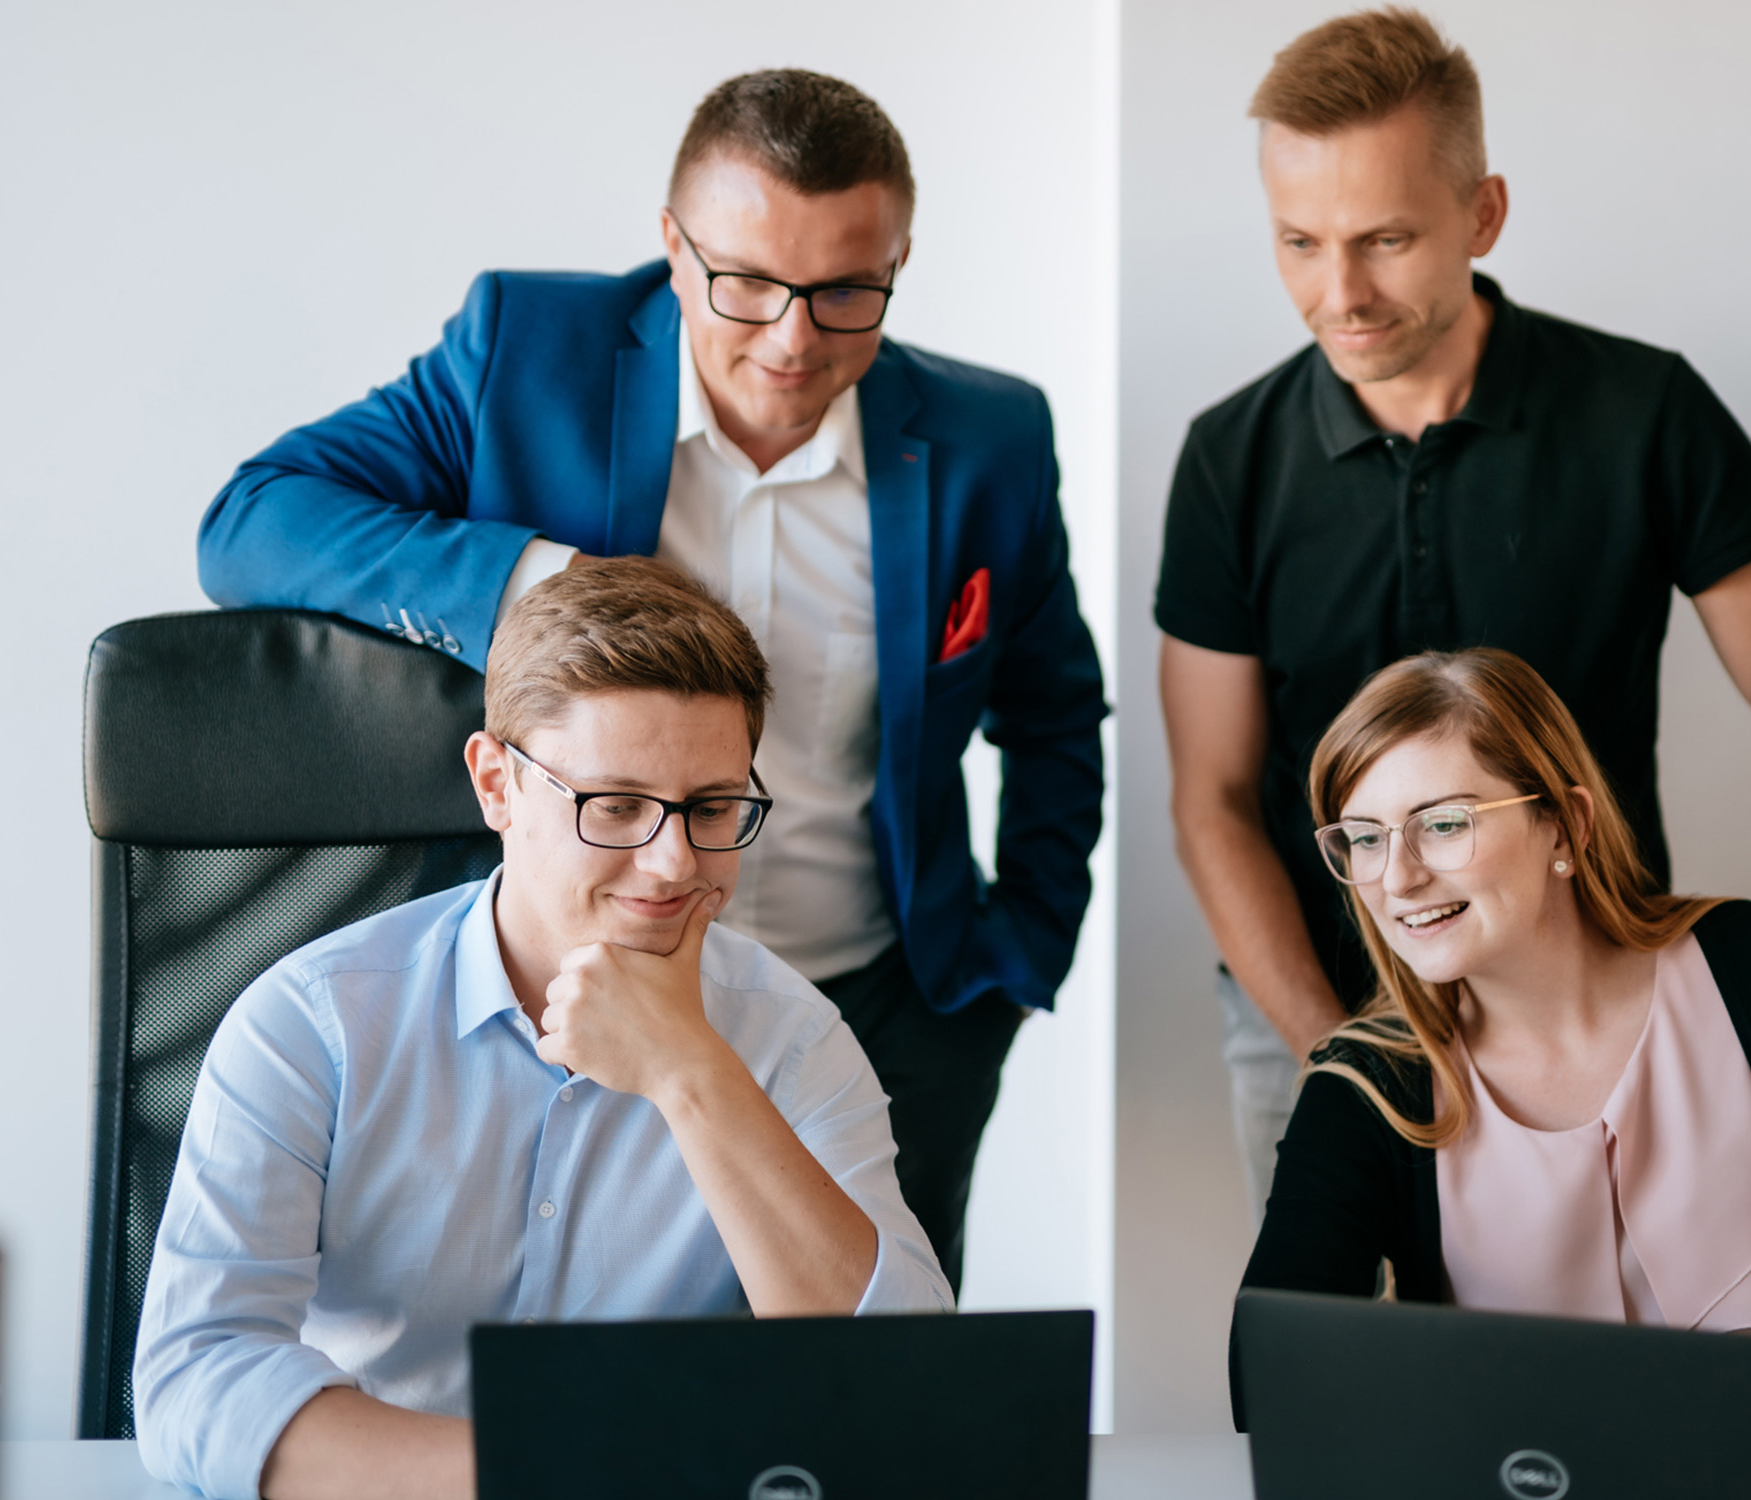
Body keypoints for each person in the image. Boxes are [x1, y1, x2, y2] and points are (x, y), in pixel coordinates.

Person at [195, 69, 1107, 1289]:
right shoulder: (526, 352)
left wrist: (1011, 963)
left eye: (846, 291)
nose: (793, 338)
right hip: (568, 1002)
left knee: (873, 1402)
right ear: (673, 249)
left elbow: (1052, 713)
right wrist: (534, 582)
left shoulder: (992, 436)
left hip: (887, 1014)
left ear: (897, 262)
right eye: (745, 285)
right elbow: (252, 521)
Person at [1154, 8, 1751, 1216]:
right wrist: (1350, 1065)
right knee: (1346, 1397)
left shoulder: (1646, 413)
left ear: (1482, 215)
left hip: (1615, 1015)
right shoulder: (1229, 459)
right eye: (1298, 242)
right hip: (1320, 1017)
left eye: (1383, 238)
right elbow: (1211, 800)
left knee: (1614, 1389)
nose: (1340, 292)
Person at [133, 558, 949, 1500]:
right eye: (617, 806)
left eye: (713, 807)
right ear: (497, 787)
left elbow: (907, 1391)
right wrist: (544, 1474)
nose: (673, 862)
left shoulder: (793, 1039)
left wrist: (692, 1074)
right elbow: (198, 1374)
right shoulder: (314, 1025)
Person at [1236, 647, 1751, 1492]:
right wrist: (1650, 1429)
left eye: (1443, 823)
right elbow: (1274, 1376)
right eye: (1363, 840)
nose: (1396, 877)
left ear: (1566, 825)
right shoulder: (1365, 1082)